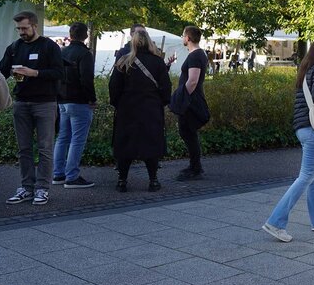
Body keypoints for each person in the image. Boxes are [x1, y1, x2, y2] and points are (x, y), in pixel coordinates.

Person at [263, 39, 314, 242]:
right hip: (313, 128)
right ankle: (276, 222)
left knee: (313, 175)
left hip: (304, 127)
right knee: (307, 175)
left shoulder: (309, 69)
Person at [1, 11, 64, 206]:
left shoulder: (49, 46)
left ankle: (42, 189)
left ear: (34, 26)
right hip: (21, 103)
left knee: (45, 148)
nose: (21, 32)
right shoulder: (14, 48)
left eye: (24, 28)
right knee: (24, 148)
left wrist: (34, 72)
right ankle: (26, 187)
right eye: (18, 28)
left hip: (45, 103)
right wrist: (10, 72)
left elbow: (59, 72)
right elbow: (0, 71)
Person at [108, 30, 172, 192]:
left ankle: (122, 181)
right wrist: (161, 103)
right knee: (151, 144)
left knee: (125, 145)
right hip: (151, 110)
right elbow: (166, 87)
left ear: (133, 42)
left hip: (127, 109)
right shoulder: (158, 62)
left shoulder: (124, 61)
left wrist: (118, 104)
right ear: (149, 42)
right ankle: (153, 180)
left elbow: (114, 86)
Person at [53, 22, 96, 189]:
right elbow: (86, 79)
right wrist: (91, 98)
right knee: (77, 139)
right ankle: (72, 176)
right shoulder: (85, 54)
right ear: (85, 36)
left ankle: (58, 174)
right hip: (79, 101)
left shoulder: (63, 52)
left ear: (70, 35)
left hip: (62, 100)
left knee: (63, 137)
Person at [174, 26, 210, 181]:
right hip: (192, 99)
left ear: (188, 38)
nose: (182, 38)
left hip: (191, 101)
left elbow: (193, 80)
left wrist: (182, 98)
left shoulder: (195, 56)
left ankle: (195, 168)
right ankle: (195, 165)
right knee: (188, 132)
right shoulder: (197, 54)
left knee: (187, 132)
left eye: (183, 35)